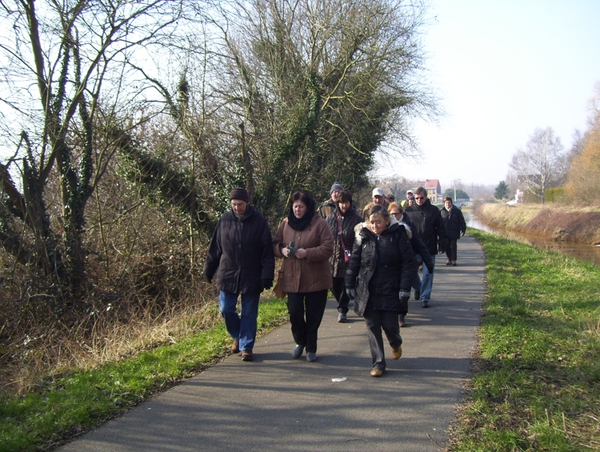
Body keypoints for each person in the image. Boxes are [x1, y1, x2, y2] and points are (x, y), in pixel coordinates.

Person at [203, 188, 275, 362]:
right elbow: (216, 248)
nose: (236, 208)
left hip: (252, 274)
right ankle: (238, 335)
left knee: (249, 313)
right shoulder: (224, 220)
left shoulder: (259, 222)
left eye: (240, 204)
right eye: (233, 205)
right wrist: (208, 269)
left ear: (247, 203)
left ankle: (247, 347)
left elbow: (267, 251)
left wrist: (267, 274)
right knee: (226, 309)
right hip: (228, 273)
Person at [345, 205, 416, 377]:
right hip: (368, 289)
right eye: (372, 222)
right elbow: (354, 261)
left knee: (390, 326)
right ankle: (378, 363)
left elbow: (409, 263)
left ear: (386, 220)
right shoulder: (363, 236)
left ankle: (395, 342)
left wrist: (405, 288)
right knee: (372, 326)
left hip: (391, 288)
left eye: (378, 222)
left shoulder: (398, 235)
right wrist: (349, 283)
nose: (375, 226)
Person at [273, 190, 334, 362]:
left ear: (308, 208)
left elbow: (328, 248)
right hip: (292, 278)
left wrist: (306, 253)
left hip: (316, 279)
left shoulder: (320, 224)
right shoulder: (286, 223)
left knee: (314, 315)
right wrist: (281, 250)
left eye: (301, 207)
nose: (297, 210)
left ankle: (311, 347)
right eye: (295, 207)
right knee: (295, 313)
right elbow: (275, 244)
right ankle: (300, 341)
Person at [388, 202, 433, 327]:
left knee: (404, 292)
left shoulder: (408, 224)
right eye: (392, 214)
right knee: (394, 291)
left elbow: (418, 243)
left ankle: (401, 316)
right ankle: (395, 314)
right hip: (392, 264)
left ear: (401, 213)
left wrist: (428, 261)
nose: (394, 216)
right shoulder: (387, 225)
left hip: (407, 261)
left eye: (397, 213)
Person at [404, 187, 447, 308]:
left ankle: (425, 297)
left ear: (426, 197)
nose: (419, 200)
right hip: (413, 248)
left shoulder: (434, 211)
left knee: (428, 273)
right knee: (412, 273)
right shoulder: (409, 211)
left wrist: (442, 245)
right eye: (416, 198)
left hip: (429, 247)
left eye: (421, 198)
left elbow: (441, 229)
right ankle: (419, 288)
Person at [325, 190, 363, 323]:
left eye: (346, 202)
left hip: (349, 259)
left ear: (350, 203)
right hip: (332, 259)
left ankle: (342, 309)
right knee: (334, 286)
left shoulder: (357, 219)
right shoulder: (330, 218)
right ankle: (344, 301)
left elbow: (360, 239)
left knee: (346, 284)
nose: (344, 205)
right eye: (341, 203)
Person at [440, 196, 466, 266]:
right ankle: (449, 259)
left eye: (449, 203)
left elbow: (461, 220)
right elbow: (439, 222)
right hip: (445, 232)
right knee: (447, 246)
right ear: (444, 203)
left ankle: (454, 260)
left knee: (453, 246)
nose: (447, 204)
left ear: (451, 203)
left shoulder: (456, 211)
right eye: (446, 203)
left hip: (454, 231)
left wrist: (463, 229)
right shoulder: (442, 211)